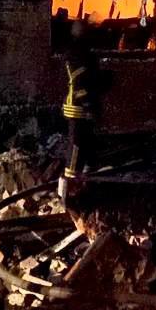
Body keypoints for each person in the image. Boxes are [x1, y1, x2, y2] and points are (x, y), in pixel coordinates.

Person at [59, 18, 102, 198]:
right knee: (77, 144)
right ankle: (70, 188)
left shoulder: (76, 50)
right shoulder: (79, 53)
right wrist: (89, 105)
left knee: (87, 141)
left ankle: (86, 179)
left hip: (79, 104)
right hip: (78, 106)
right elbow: (82, 82)